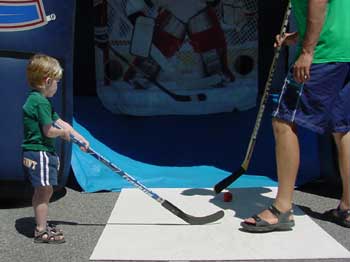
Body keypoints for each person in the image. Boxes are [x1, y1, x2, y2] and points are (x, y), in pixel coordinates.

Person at [241, 0, 350, 232]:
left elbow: (318, 3)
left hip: (325, 53)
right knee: (342, 127)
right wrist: (299, 37)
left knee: (283, 120)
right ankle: (348, 207)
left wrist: (307, 50)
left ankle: (281, 208)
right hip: (345, 51)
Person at [22, 54, 90, 243]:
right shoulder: (40, 102)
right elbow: (50, 130)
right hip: (39, 152)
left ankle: (41, 224)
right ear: (47, 81)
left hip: (38, 152)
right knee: (45, 191)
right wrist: (63, 135)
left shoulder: (38, 99)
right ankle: (41, 230)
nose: (58, 87)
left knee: (44, 191)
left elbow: (60, 121)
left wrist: (80, 138)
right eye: (57, 82)